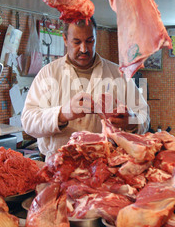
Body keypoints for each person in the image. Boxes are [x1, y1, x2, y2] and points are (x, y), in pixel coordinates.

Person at [21, 17, 150, 159]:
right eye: (77, 42)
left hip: (107, 167)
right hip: (59, 167)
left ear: (96, 38)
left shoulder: (118, 74)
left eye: (89, 41)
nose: (84, 49)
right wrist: (62, 114)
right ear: (65, 39)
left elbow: (144, 116)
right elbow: (28, 121)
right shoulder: (48, 73)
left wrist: (131, 121)